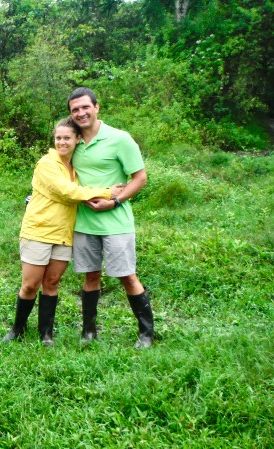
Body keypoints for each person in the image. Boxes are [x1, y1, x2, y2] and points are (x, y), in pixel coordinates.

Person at [3, 118, 122, 346]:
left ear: (78, 139)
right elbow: (66, 192)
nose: (61, 142)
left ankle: (46, 334)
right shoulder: (47, 164)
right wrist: (108, 192)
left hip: (64, 233)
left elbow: (79, 189)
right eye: (58, 138)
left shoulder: (76, 168)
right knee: (30, 284)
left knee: (52, 282)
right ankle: (17, 329)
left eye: (67, 138)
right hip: (38, 231)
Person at [67, 87, 155, 349]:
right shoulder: (72, 141)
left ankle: (147, 333)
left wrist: (114, 201)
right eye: (75, 109)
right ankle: (89, 331)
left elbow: (140, 178)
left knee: (127, 276)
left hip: (116, 222)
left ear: (96, 107)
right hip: (84, 222)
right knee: (90, 276)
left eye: (85, 107)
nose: (81, 113)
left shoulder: (120, 139)